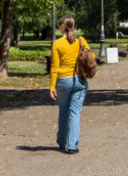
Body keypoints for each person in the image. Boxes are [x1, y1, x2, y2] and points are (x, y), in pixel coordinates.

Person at [49, 16, 90, 154]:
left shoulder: (57, 44)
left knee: (64, 111)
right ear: (73, 26)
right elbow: (90, 57)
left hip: (63, 81)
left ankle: (61, 141)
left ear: (62, 27)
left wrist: (52, 87)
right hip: (79, 80)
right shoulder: (81, 41)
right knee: (75, 113)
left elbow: (55, 66)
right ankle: (72, 145)